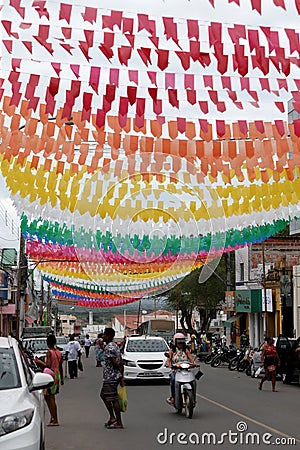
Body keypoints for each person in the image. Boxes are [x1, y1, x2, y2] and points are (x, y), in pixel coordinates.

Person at [100, 328, 124, 429]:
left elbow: (115, 362)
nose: (103, 336)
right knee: (104, 395)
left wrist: (119, 372)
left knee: (113, 399)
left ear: (109, 336)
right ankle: (112, 417)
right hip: (114, 376)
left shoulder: (109, 347)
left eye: (105, 335)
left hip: (111, 376)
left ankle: (118, 421)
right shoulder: (114, 346)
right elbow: (121, 360)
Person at [166, 332, 198, 405]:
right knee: (173, 380)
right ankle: (173, 397)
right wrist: (168, 364)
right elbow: (168, 360)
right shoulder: (172, 351)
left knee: (193, 381)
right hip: (175, 370)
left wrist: (194, 363)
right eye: (178, 342)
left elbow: (191, 359)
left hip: (186, 370)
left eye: (181, 342)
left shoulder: (186, 350)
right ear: (175, 342)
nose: (180, 344)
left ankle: (193, 399)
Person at [42, 334, 64, 426]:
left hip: (50, 375)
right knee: (51, 397)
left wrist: (39, 362)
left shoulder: (49, 353)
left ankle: (55, 419)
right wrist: (62, 378)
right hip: (57, 374)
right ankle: (53, 418)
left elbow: (48, 366)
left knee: (50, 398)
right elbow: (60, 366)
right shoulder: (58, 352)